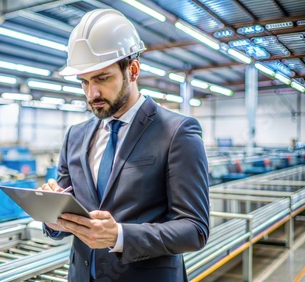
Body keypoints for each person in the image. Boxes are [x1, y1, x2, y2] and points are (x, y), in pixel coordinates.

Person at [39, 8, 210, 282]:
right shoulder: (75, 136)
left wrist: (119, 236)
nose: (91, 93)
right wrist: (52, 218)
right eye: (84, 82)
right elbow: (66, 212)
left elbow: (195, 229)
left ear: (132, 70)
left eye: (102, 78)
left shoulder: (177, 132)